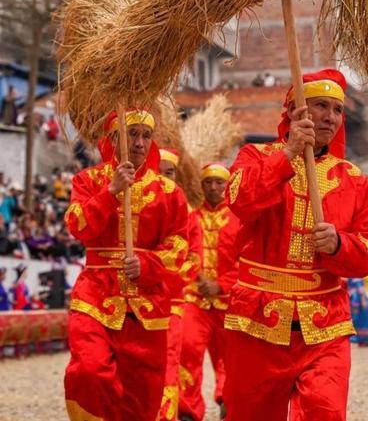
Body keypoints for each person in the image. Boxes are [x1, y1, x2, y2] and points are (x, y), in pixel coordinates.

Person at [222, 68, 368, 421]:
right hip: (256, 321)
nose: (331, 117)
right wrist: (289, 152)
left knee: (326, 412)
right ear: (296, 111)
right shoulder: (254, 156)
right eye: (320, 106)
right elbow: (240, 200)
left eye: (337, 109)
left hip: (326, 325)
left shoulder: (354, 181)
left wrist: (340, 245)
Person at [64, 109, 189, 421]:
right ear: (111, 139)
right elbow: (77, 226)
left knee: (142, 394)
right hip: (95, 294)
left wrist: (147, 265)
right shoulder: (88, 180)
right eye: (132, 133)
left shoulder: (169, 192)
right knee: (89, 370)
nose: (140, 142)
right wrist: (110, 193)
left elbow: (179, 247)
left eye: (146, 135)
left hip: (148, 301)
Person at [179, 163, 239, 421]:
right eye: (208, 182)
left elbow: (246, 260)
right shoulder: (189, 218)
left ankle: (228, 400)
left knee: (230, 358)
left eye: (219, 183)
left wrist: (222, 284)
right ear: (201, 186)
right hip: (194, 299)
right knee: (187, 350)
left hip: (230, 302)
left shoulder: (240, 219)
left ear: (228, 187)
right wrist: (196, 276)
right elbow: (180, 251)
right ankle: (187, 411)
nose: (213, 187)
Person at [157, 148, 203, 421]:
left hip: (171, 301)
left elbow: (194, 259)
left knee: (169, 361)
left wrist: (163, 280)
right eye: (159, 171)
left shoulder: (188, 215)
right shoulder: (134, 206)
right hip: (135, 302)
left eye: (170, 172)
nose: (164, 177)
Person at [348, 277, 368, 346]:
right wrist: (363, 299)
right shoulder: (356, 276)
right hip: (358, 299)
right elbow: (360, 288)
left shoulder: (351, 275)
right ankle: (364, 338)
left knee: (359, 319)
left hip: (356, 299)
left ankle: (361, 338)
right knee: (362, 319)